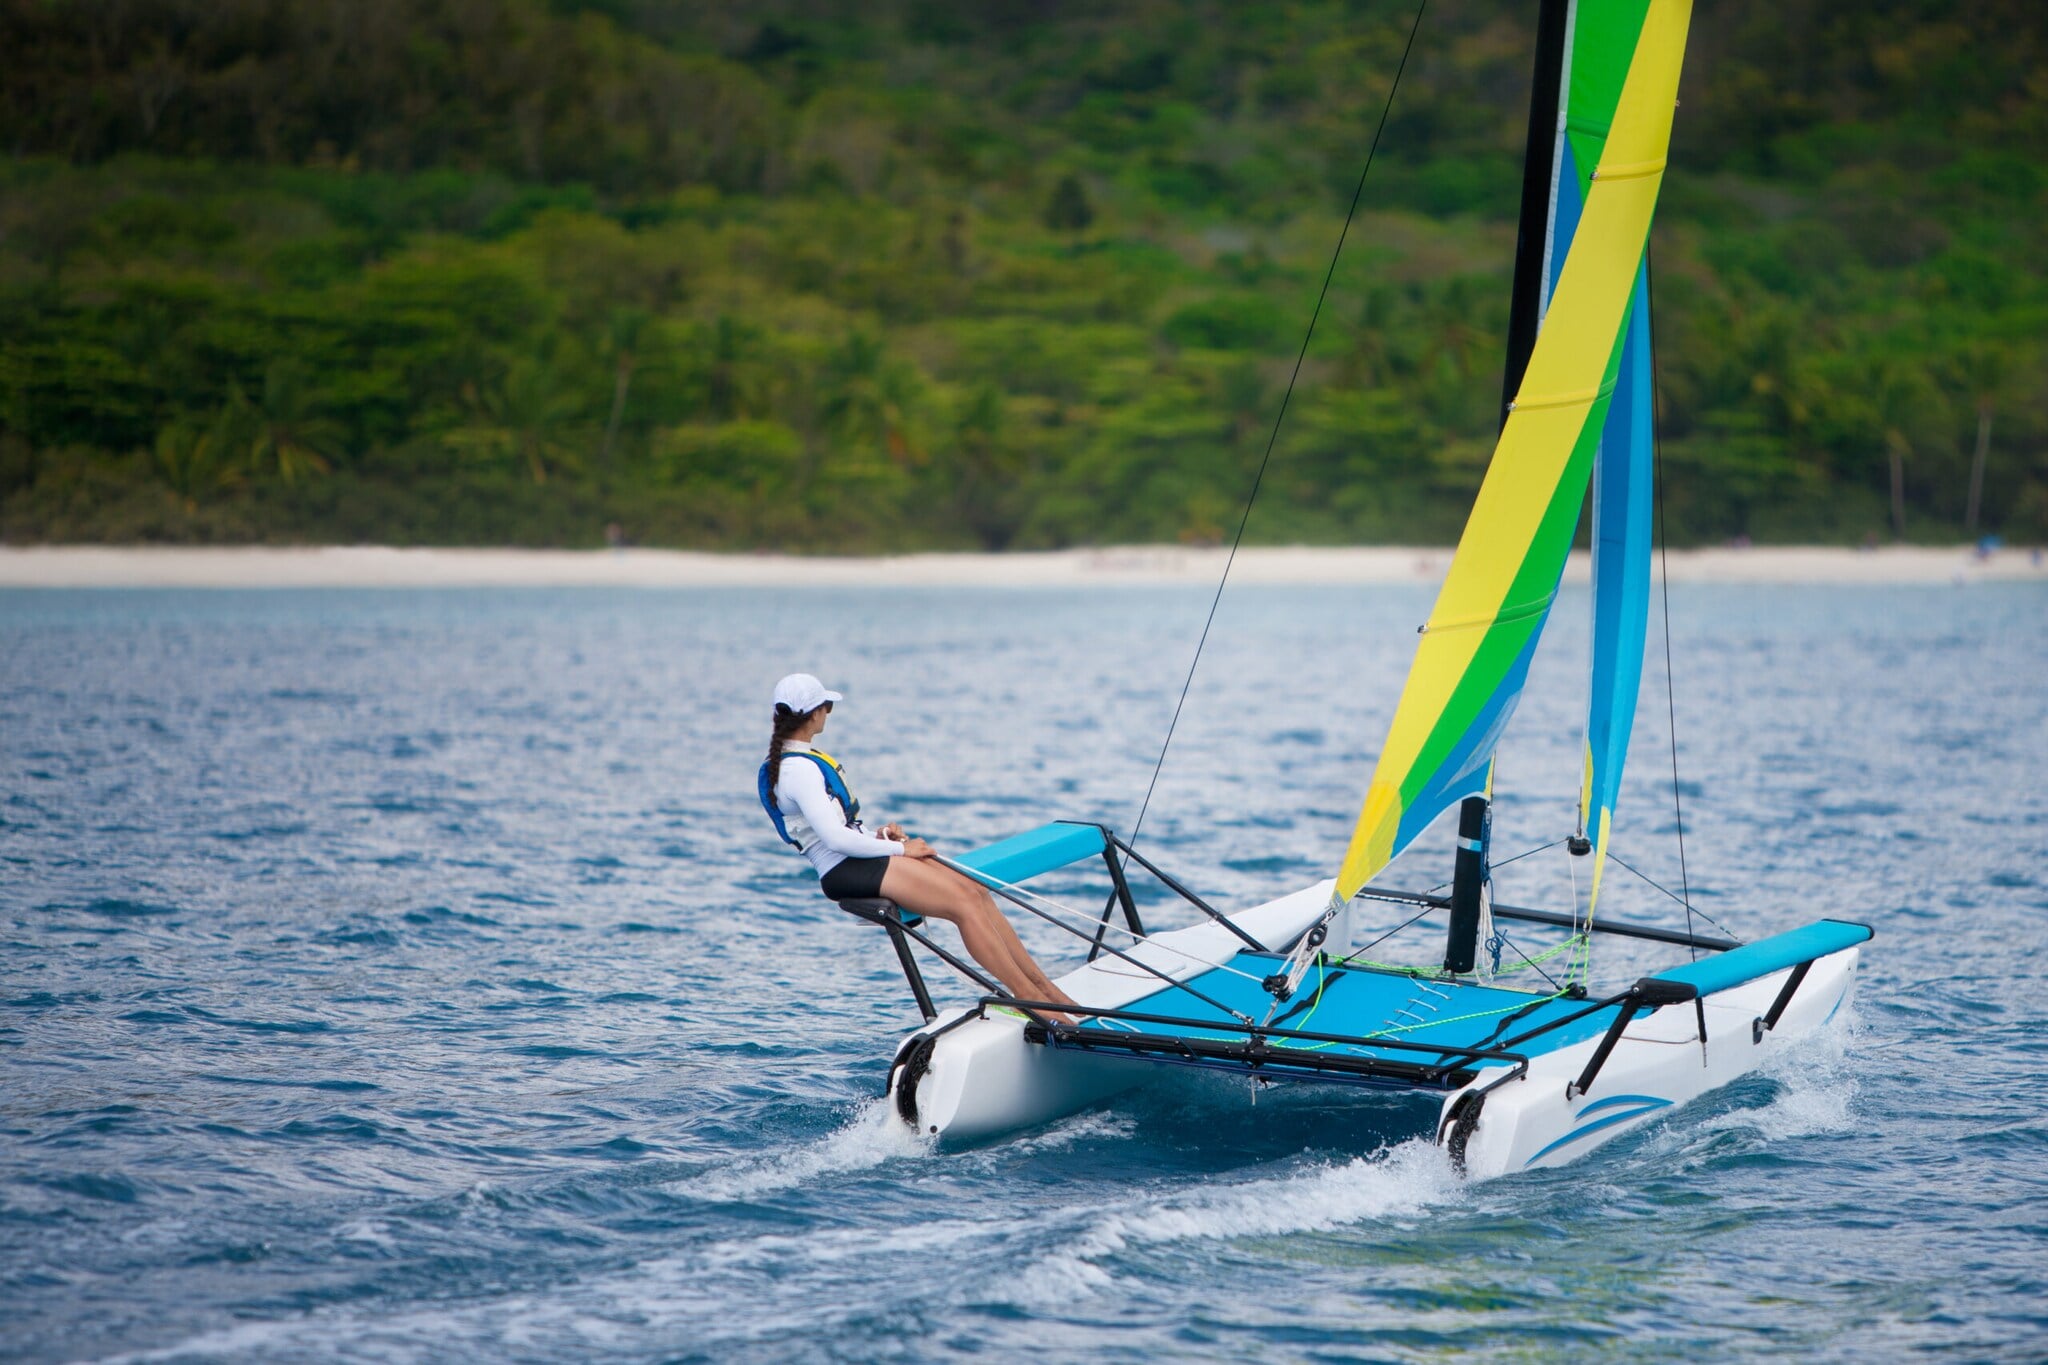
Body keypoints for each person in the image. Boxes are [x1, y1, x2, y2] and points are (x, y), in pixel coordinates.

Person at [758, 673, 1084, 1021]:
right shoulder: (798, 771)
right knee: (963, 905)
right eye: (827, 706)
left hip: (856, 859)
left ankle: (1044, 989)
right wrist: (902, 850)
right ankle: (1029, 998)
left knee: (974, 890)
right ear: (814, 713)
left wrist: (879, 836)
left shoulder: (797, 762)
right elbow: (835, 841)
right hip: (845, 870)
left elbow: (840, 830)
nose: (828, 713)